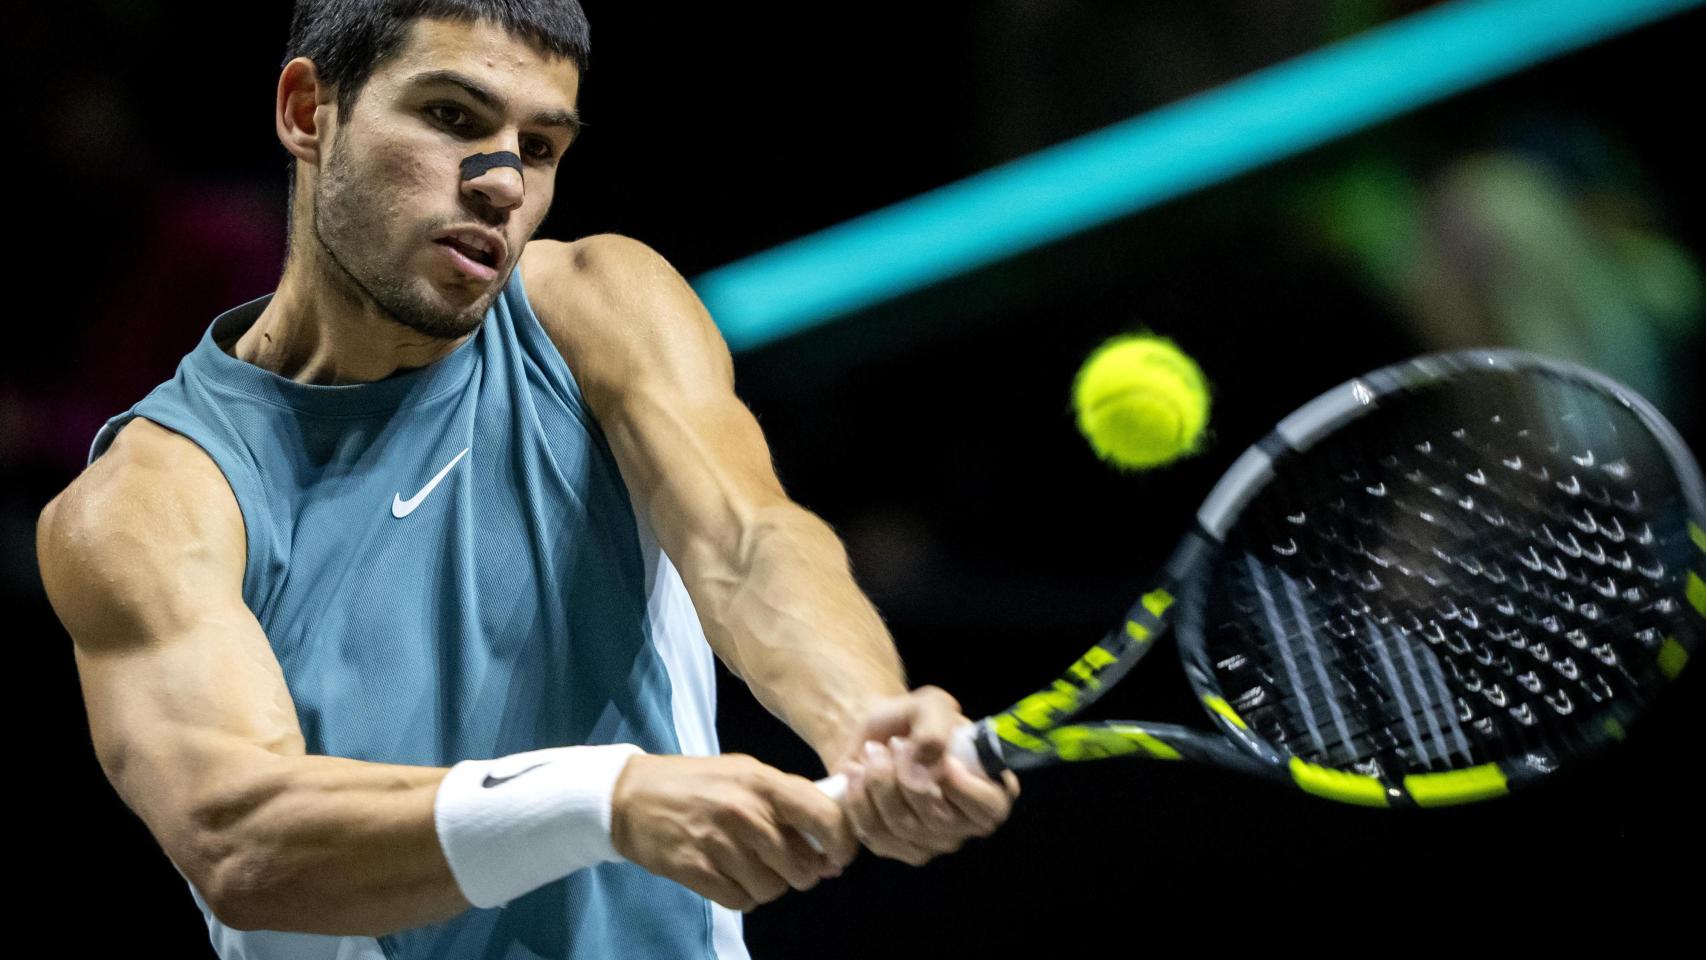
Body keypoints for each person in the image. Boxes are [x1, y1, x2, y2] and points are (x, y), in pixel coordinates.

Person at [34, 2, 1018, 958]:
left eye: (539, 146)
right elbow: (242, 839)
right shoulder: (148, 501)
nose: (503, 182)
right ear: (306, 112)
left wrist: (864, 724)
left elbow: (747, 543)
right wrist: (604, 802)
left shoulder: (598, 303)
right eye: (451, 117)